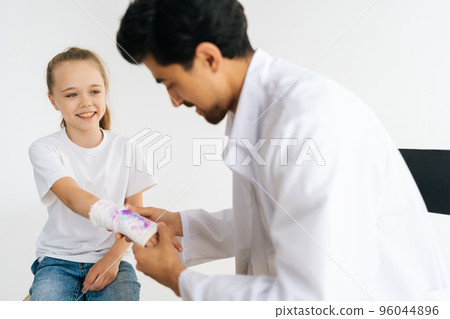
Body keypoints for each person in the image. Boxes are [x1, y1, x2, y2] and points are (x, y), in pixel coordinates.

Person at [115, 0, 450, 300]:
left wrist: (178, 279)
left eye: (171, 83)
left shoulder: (307, 124)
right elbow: (282, 220)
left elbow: (311, 298)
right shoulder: (260, 110)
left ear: (208, 58)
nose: (174, 101)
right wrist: (181, 224)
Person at [28, 47, 156, 301]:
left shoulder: (128, 148)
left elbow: (137, 213)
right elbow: (75, 198)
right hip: (57, 260)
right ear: (53, 100)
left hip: (115, 258)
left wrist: (112, 259)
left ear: (105, 92)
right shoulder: (44, 148)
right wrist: (136, 224)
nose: (86, 102)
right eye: (71, 94)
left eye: (94, 91)